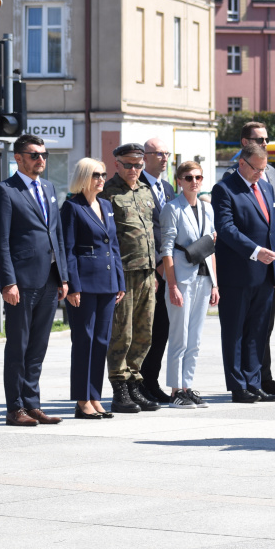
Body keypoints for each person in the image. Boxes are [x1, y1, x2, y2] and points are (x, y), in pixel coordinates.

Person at [0, 135, 69, 426]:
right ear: (19, 158)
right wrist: (7, 281)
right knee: (19, 346)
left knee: (38, 346)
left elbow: (56, 235)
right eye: (34, 155)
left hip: (49, 279)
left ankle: (33, 404)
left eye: (44, 154)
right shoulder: (5, 191)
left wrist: (63, 277)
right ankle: (15, 408)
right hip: (21, 281)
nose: (41, 160)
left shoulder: (48, 188)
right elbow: (0, 241)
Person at [213, 143, 275, 404]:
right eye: (257, 169)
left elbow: (273, 229)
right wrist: (254, 251)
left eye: (264, 169)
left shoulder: (265, 186)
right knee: (235, 332)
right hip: (238, 273)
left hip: (266, 273)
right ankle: (238, 385)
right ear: (242, 163)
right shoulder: (225, 189)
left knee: (258, 330)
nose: (260, 174)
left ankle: (254, 383)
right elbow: (226, 228)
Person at [60, 158, 125, 419]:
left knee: (101, 341)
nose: (101, 179)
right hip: (84, 285)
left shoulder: (106, 205)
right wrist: (73, 286)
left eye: (104, 174)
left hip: (108, 284)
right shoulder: (72, 207)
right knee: (84, 341)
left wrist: (119, 281)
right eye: (96, 174)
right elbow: (68, 250)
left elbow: (114, 247)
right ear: (84, 177)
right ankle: (81, 399)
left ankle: (95, 396)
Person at [99, 144, 160, 413]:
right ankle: (119, 387)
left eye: (138, 165)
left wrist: (154, 271)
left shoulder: (146, 192)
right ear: (117, 165)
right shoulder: (107, 192)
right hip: (122, 274)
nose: (134, 170)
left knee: (144, 333)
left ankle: (135, 383)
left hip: (147, 273)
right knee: (121, 333)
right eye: (128, 165)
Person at [160, 161, 219, 409]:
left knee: (195, 337)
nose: (194, 181)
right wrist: (172, 285)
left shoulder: (208, 209)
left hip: (204, 277)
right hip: (181, 277)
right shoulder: (172, 208)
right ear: (179, 181)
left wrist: (215, 284)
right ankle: (175, 390)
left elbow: (210, 247)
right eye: (188, 177)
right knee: (179, 335)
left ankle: (187, 385)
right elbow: (167, 249)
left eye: (198, 177)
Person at [138, 137, 175, 404]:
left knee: (162, 330)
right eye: (158, 153)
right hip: (148, 271)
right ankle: (138, 383)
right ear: (145, 157)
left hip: (169, 270)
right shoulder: (136, 186)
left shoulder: (168, 188)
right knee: (144, 332)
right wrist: (157, 263)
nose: (164, 158)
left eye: (166, 153)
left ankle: (152, 381)